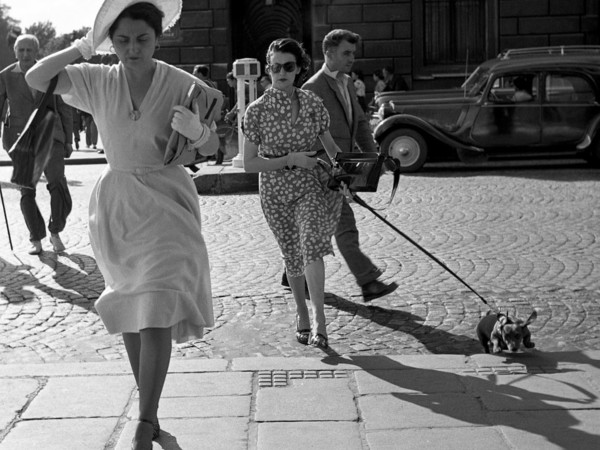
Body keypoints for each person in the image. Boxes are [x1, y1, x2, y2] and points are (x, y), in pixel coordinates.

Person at [25, 1, 215, 448]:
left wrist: (200, 133)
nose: (133, 49)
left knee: (159, 305)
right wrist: (82, 45)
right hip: (117, 207)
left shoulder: (182, 83)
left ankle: (144, 423)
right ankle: (151, 418)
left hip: (169, 203)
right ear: (112, 41)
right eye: (123, 40)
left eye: (143, 40)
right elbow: (36, 78)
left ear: (158, 38)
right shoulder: (96, 78)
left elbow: (213, 147)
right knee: (133, 309)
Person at [243, 37, 345, 350]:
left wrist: (346, 172)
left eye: (288, 66)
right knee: (292, 255)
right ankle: (301, 313)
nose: (281, 72)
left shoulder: (313, 104)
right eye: (275, 67)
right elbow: (249, 164)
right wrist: (291, 159)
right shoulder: (256, 112)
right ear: (268, 70)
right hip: (274, 193)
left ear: (299, 68)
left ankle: (320, 322)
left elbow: (331, 148)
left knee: (312, 244)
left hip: (308, 186)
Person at [303, 29, 399, 302]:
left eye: (353, 53)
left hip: (342, 168)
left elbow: (358, 125)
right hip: (324, 172)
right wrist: (333, 171)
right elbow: (309, 138)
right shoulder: (313, 88)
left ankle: (293, 273)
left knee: (318, 229)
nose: (352, 58)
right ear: (329, 53)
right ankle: (368, 281)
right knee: (344, 226)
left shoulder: (345, 83)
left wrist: (375, 159)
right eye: (346, 53)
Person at [0, 34, 73, 255]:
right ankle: (36, 238)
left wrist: (69, 138)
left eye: (29, 50)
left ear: (36, 52)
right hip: (20, 138)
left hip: (52, 135)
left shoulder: (50, 72)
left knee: (57, 184)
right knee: (27, 191)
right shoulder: (5, 77)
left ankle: (55, 230)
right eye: (20, 50)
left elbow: (65, 107)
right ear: (15, 52)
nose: (25, 54)